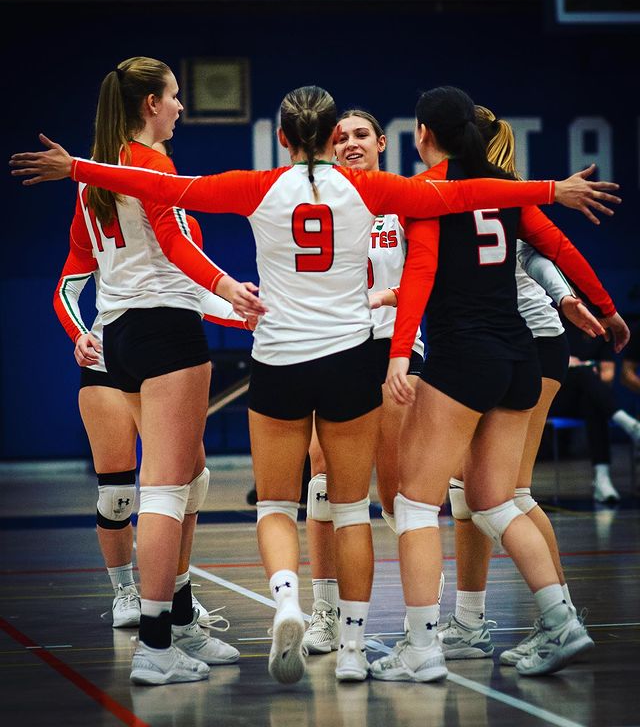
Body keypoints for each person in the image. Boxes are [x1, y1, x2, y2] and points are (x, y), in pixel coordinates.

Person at [10, 85, 620, 686]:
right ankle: (356, 644)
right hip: (366, 359)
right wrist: (551, 190)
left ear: (282, 138)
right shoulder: (371, 188)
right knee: (374, 506)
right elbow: (473, 196)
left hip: (285, 359)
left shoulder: (258, 185)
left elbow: (161, 188)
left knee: (286, 504)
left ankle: (294, 607)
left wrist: (76, 168)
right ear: (334, 138)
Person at [372, 86, 627, 682]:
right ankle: (561, 621)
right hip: (521, 356)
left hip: (464, 355)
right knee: (496, 498)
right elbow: (558, 246)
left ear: (423, 134)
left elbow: (424, 268)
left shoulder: (431, 190)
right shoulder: (505, 190)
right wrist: (605, 308)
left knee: (414, 502)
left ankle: (421, 648)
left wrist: (402, 351)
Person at [33, 56, 264, 686]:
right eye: (175, 96)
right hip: (163, 331)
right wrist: (228, 287)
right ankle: (157, 643)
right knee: (163, 491)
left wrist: (236, 309)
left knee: (187, 480)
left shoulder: (95, 178)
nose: (182, 106)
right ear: (149, 106)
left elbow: (136, 258)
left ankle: (179, 623)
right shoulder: (148, 163)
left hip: (126, 335)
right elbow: (175, 246)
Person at [437, 105, 626, 666]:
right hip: (510, 343)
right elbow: (542, 259)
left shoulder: (493, 192)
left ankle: (558, 618)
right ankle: (479, 622)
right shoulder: (472, 192)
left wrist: (591, 303)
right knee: (475, 493)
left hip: (523, 343)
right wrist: (578, 300)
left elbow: (552, 253)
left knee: (504, 495)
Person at [54, 206, 252, 630]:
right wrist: (79, 334)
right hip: (110, 355)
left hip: (164, 353)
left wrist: (254, 315)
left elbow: (197, 290)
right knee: (118, 494)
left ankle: (177, 598)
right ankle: (126, 591)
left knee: (190, 477)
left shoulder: (179, 219)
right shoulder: (96, 209)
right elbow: (66, 288)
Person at [303, 110, 425, 655]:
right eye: (339, 138)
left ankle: (422, 618)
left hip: (394, 347)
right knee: (323, 476)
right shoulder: (317, 204)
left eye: (359, 135)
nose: (349, 144)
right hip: (333, 345)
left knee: (398, 485)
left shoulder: (404, 199)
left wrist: (388, 300)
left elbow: (431, 278)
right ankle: (325, 612)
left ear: (381, 142)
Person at [550, 318, 640, 503]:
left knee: (592, 400)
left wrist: (579, 365)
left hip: (585, 400)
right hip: (556, 397)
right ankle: (629, 426)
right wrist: (585, 366)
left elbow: (608, 376)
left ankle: (602, 478)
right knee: (585, 376)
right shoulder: (556, 325)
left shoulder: (601, 332)